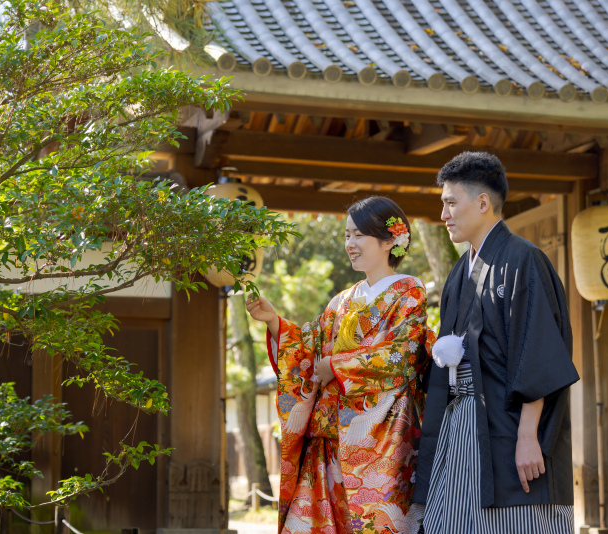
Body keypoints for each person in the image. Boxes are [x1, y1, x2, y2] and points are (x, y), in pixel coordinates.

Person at [413, 152, 579, 533]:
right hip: (462, 419)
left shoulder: (524, 260)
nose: (444, 215)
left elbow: (537, 351)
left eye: (451, 203)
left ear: (482, 202)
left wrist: (527, 437)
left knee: (515, 519)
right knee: (452, 521)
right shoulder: (459, 273)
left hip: (508, 423)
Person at [247, 196, 434, 534]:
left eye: (359, 235)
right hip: (328, 436)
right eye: (347, 235)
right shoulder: (341, 302)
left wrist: (336, 366)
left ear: (391, 239)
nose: (350, 244)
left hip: (381, 439)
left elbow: (402, 357)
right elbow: (307, 351)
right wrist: (275, 322)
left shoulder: (409, 293)